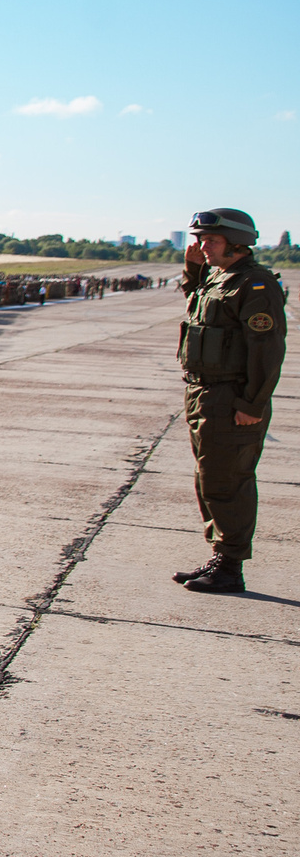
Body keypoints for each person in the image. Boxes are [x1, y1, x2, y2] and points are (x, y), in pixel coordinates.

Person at [171, 208, 284, 595]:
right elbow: (199, 311)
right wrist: (193, 270)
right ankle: (220, 554)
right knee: (210, 477)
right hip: (204, 394)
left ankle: (230, 567)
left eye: (210, 240)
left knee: (228, 480)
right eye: (200, 240)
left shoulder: (255, 285)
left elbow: (266, 352)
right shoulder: (220, 279)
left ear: (238, 243)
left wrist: (252, 404)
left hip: (230, 396)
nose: (202, 246)